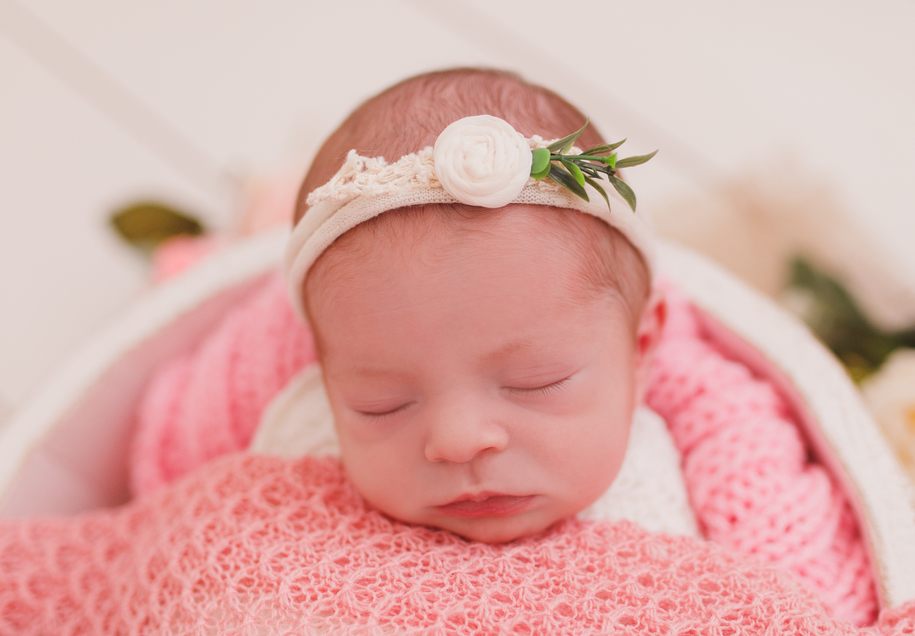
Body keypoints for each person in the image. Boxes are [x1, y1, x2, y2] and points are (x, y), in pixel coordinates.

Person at [282, 67, 677, 544]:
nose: (458, 441)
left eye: (537, 382)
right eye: (382, 406)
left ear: (640, 348)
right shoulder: (292, 482)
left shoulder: (682, 486)